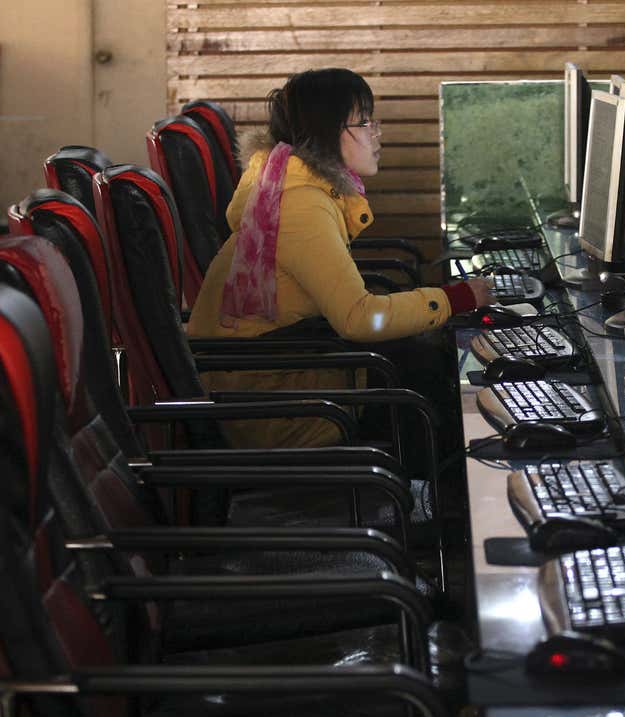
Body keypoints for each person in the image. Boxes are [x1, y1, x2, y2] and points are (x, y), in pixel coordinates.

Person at [186, 67, 494, 448]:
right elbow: (358, 319)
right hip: (272, 404)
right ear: (327, 133)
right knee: (426, 371)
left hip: (277, 370)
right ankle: (434, 501)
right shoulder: (300, 203)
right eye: (364, 123)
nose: (377, 133)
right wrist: (458, 298)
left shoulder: (290, 184)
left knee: (420, 356)